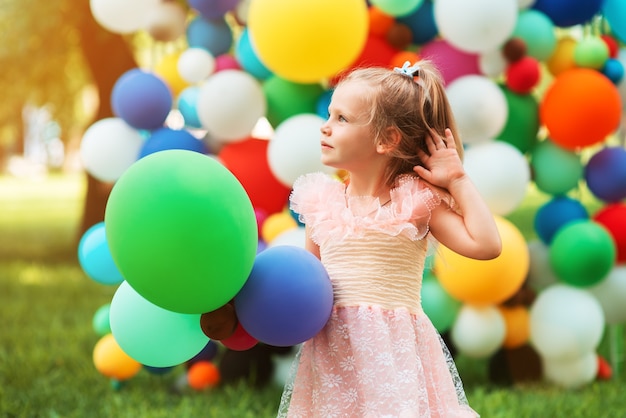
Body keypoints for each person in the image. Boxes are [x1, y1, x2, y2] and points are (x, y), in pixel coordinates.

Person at [277, 60, 502, 418]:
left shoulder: (415, 202)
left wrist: (458, 179)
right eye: (330, 115)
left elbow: (486, 245)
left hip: (393, 356)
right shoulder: (321, 203)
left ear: (387, 139)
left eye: (342, 119)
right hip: (334, 354)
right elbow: (311, 283)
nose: (325, 127)